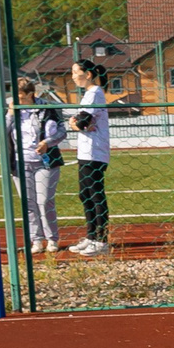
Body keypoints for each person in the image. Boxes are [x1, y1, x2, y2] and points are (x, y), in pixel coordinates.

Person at [13, 76, 67, 255]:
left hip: (45, 162)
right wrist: (9, 114)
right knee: (28, 203)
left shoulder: (47, 108)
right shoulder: (12, 110)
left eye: (21, 97)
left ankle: (52, 239)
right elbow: (1, 132)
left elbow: (61, 131)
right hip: (21, 162)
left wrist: (48, 142)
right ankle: (36, 239)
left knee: (44, 201)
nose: (18, 100)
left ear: (31, 94)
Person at [67, 58, 113, 255]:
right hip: (86, 151)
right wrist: (76, 123)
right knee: (84, 194)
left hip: (95, 151)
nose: (72, 76)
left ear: (88, 74)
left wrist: (75, 123)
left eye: (75, 72)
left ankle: (101, 241)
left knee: (95, 194)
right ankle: (92, 236)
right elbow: (82, 121)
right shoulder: (88, 94)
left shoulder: (95, 93)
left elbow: (83, 121)